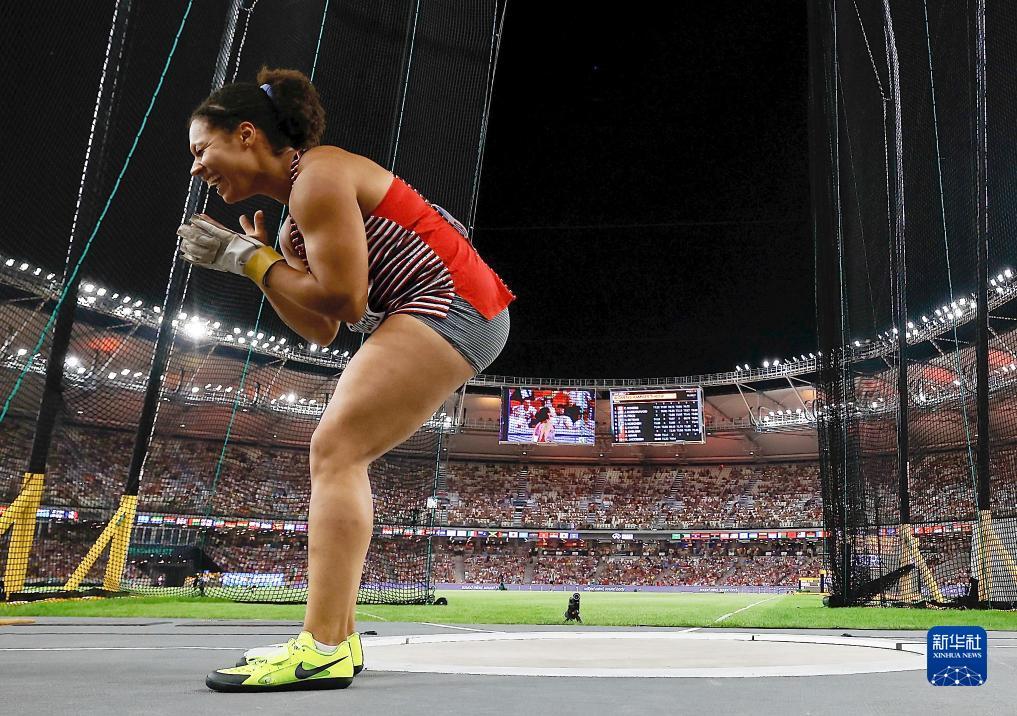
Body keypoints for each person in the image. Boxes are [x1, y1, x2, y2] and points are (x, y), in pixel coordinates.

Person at [177, 67, 514, 692]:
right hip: (444, 308)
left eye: (202, 149)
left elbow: (346, 300)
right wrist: (258, 265)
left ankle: (323, 646)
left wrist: (248, 257)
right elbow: (323, 329)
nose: (197, 168)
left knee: (336, 450)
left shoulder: (319, 175)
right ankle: (340, 639)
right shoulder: (293, 219)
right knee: (336, 452)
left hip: (451, 306)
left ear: (246, 134)